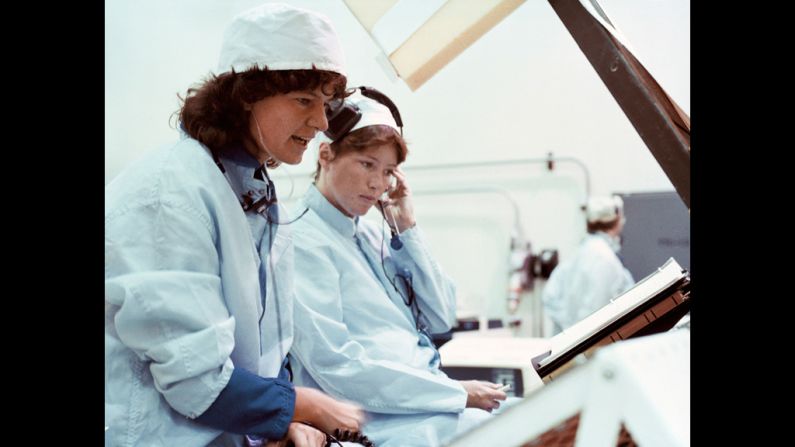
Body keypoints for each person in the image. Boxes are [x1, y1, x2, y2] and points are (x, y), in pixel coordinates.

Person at [105, 4, 366, 446]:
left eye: (325, 105)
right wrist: (305, 406)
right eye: (304, 100)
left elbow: (266, 343)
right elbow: (195, 379)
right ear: (245, 95)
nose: (322, 123)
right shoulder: (171, 192)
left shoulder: (250, 189)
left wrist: (284, 422)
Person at [287, 89, 508, 447]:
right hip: (379, 419)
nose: (378, 183)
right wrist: (453, 394)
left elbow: (440, 317)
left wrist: (407, 226)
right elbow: (336, 365)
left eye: (388, 171)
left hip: (422, 404)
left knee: (541, 414)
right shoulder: (300, 239)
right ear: (326, 155)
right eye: (366, 164)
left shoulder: (375, 233)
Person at [542, 195, 635, 335]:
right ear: (615, 221)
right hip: (588, 349)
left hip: (572, 344)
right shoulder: (604, 258)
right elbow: (595, 313)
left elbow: (549, 296)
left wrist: (567, 326)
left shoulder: (581, 253)